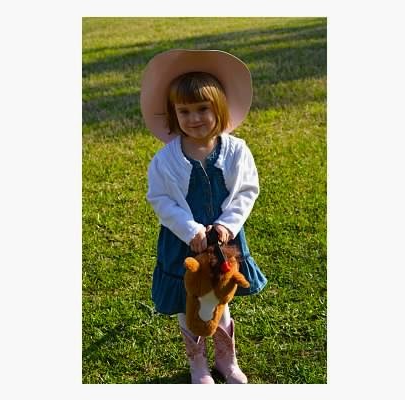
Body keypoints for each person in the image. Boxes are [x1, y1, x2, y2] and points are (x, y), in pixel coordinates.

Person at [140, 49, 267, 384]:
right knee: (190, 298)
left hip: (223, 243)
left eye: (202, 109)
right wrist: (190, 229)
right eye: (184, 111)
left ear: (219, 108)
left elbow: (247, 190)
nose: (193, 118)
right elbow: (161, 198)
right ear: (173, 114)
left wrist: (227, 224)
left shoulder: (236, 150)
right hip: (184, 243)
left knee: (219, 294)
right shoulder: (165, 159)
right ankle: (198, 364)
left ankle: (226, 359)